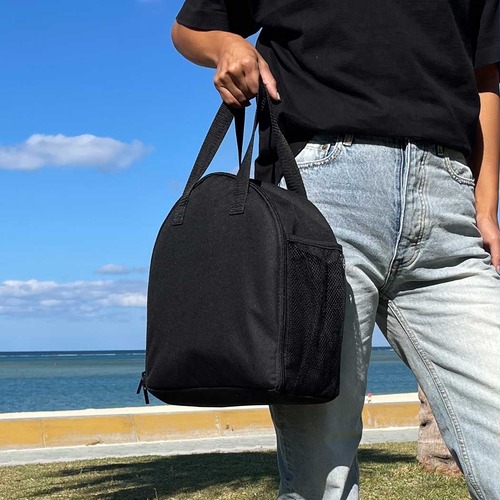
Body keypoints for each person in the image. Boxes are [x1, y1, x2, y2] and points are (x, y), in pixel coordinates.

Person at [171, 1, 500, 499]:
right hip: (322, 197)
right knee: (321, 474)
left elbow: (485, 74)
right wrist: (228, 45)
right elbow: (189, 29)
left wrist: (485, 203)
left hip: (448, 203)